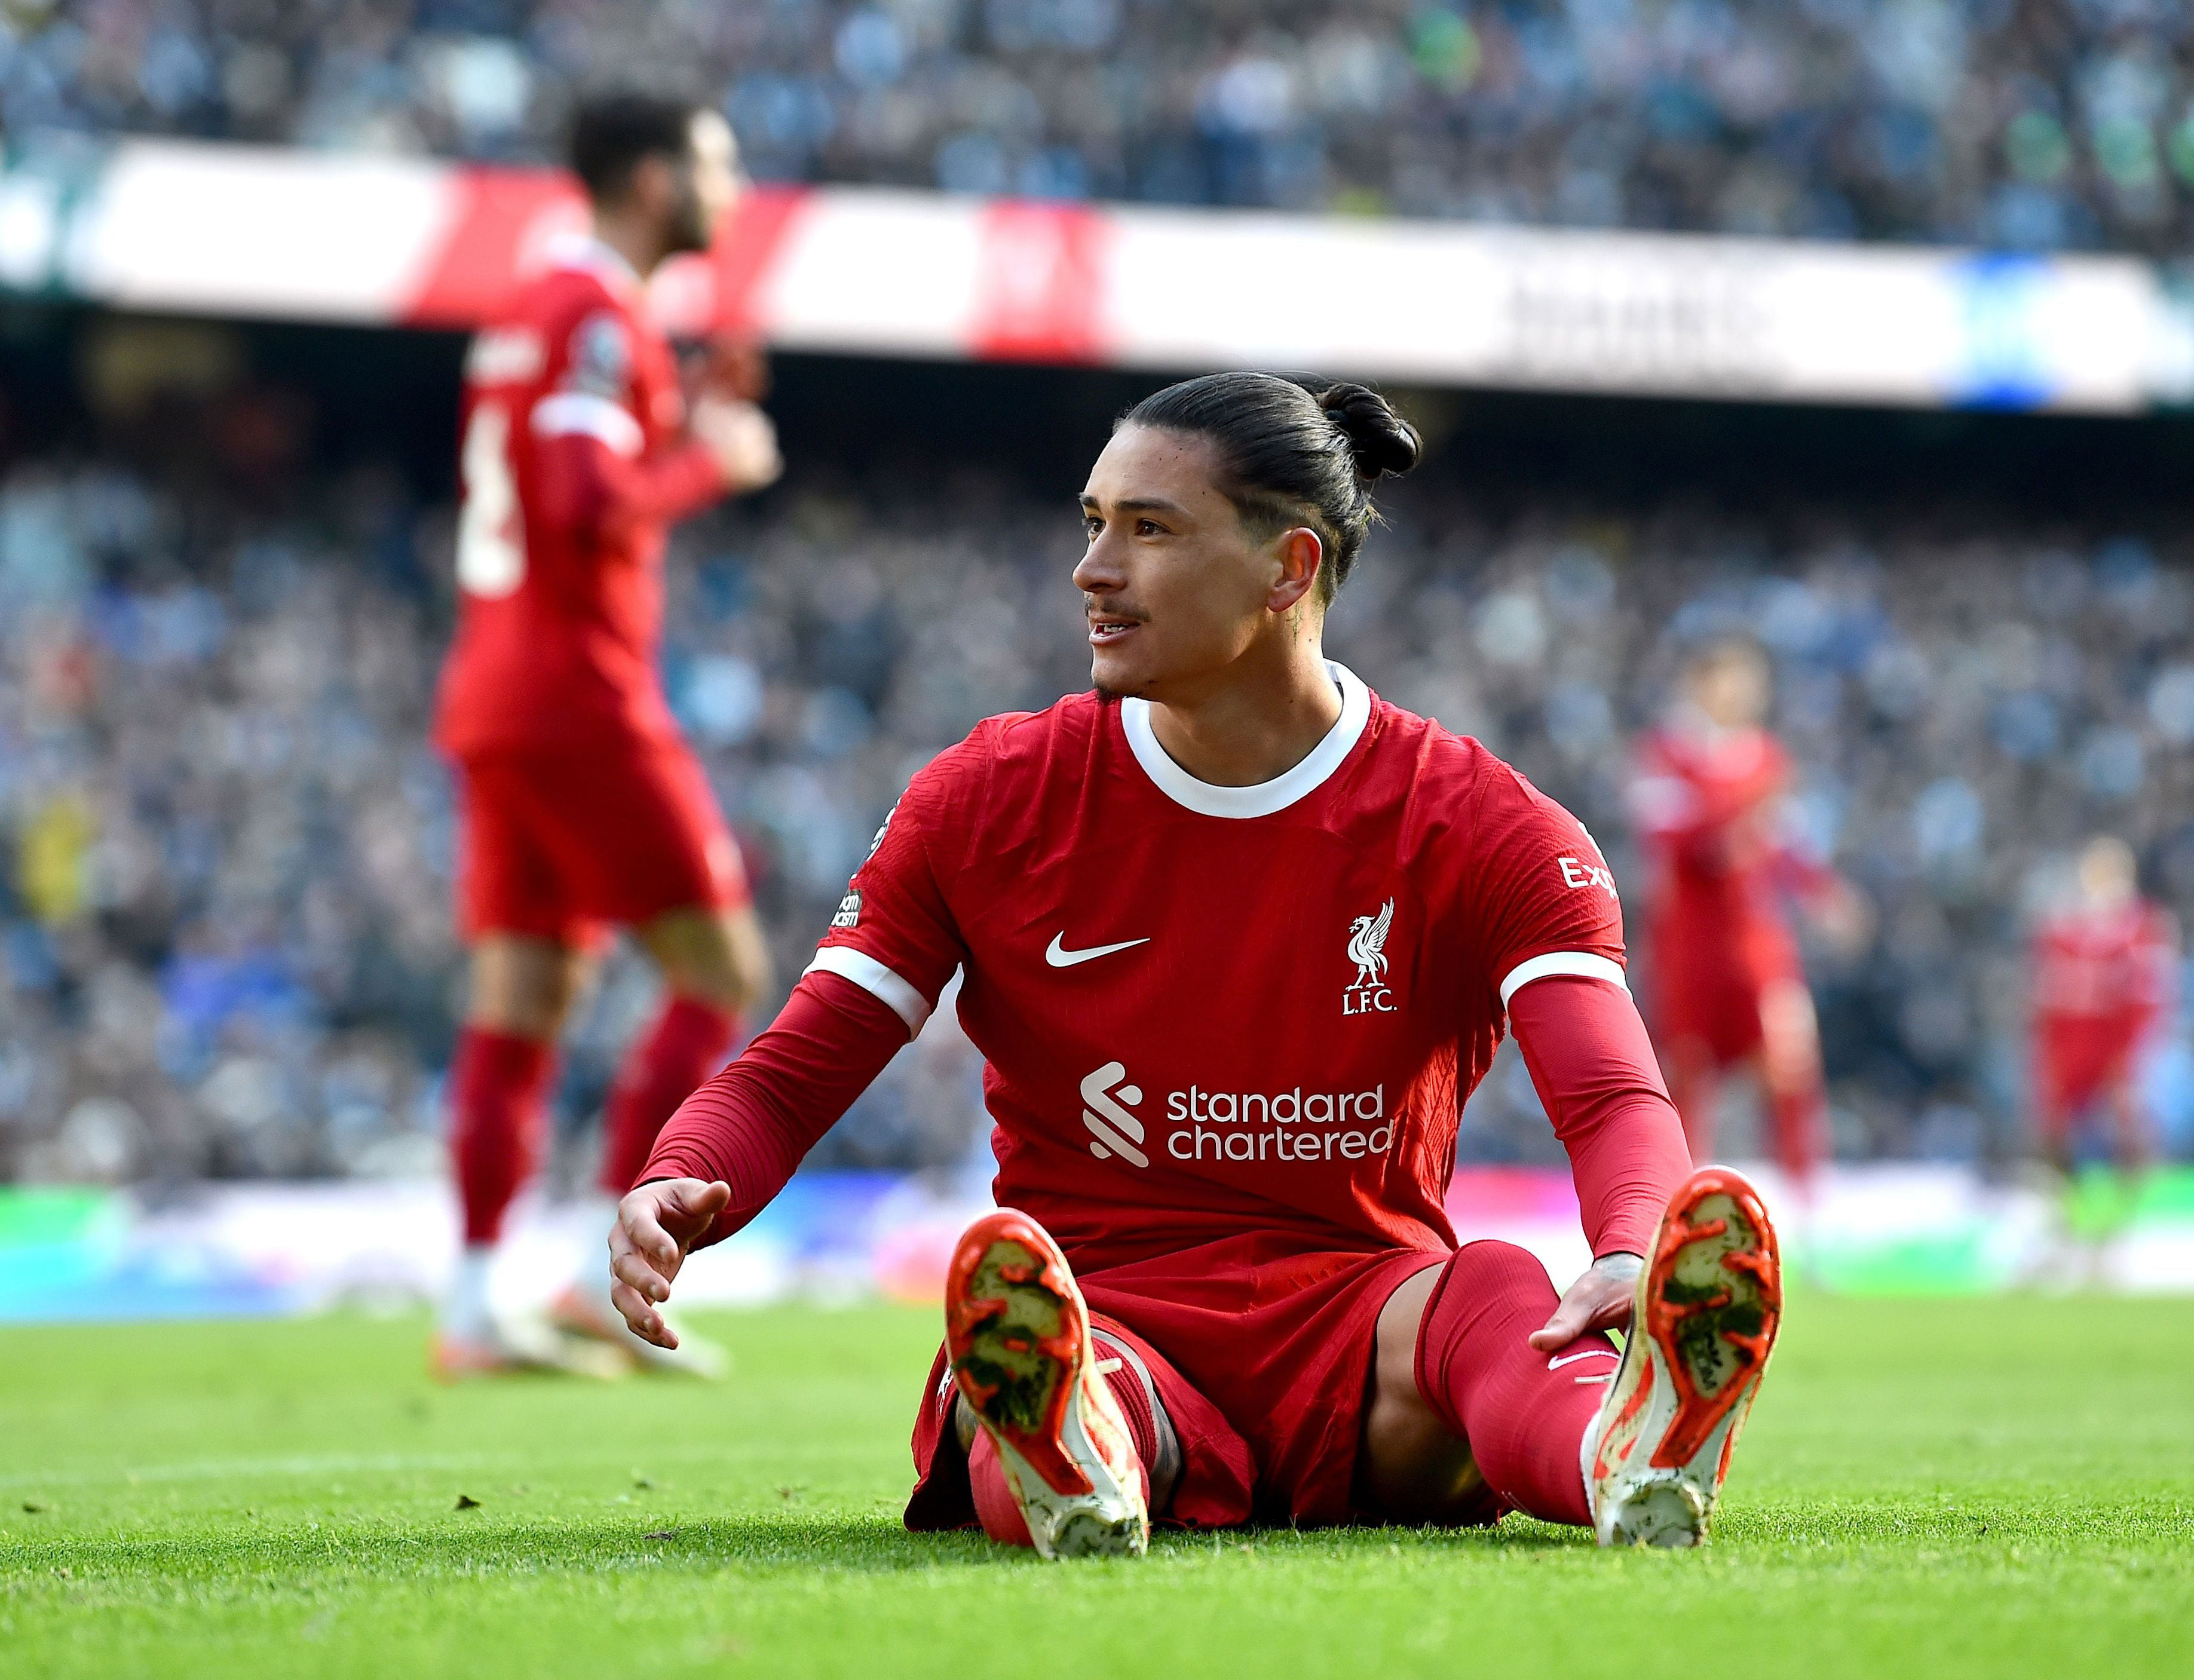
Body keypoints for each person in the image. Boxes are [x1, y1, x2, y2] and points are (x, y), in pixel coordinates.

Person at [606, 372, 1783, 1556]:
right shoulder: (988, 799)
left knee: (1496, 1295)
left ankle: (1621, 1453)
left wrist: (1631, 1245)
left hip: (1364, 1318)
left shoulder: (1483, 825)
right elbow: (794, 1068)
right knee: (1064, 1373)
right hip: (1100, 1303)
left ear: (1288, 569)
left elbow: (1610, 1093)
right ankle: (1081, 1455)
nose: (1093, 568)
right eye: (1092, 521)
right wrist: (684, 1168)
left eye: (1149, 529)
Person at [428, 92, 785, 1379]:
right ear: (651, 181)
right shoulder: (591, 311)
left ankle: (474, 1301)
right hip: (579, 694)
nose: (732, 189)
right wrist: (716, 457)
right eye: (716, 161)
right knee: (720, 969)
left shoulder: (539, 307)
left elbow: (560, 477)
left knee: (525, 994)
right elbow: (584, 505)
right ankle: (600, 1269)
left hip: (495, 690)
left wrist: (676, 422)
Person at [1627, 639, 1861, 1196]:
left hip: (1758, 945)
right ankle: (1674, 1210)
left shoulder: (1765, 758)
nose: (1743, 694)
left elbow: (1786, 846)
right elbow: (1673, 842)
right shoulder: (1665, 755)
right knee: (1687, 1077)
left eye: (1750, 682)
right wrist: (1741, 807)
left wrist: (1824, 895)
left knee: (1789, 1068)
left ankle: (1805, 1213)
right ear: (1700, 686)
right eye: (1730, 680)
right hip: (1689, 946)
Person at [2031, 836, 2176, 1185]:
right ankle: (2062, 1195)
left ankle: (2134, 1192)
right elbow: (2046, 993)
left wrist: (2139, 1040)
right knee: (2057, 1119)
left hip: (2117, 1034)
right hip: (2072, 1034)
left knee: (2128, 1115)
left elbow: (2150, 990)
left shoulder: (2142, 927)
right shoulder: (2062, 927)